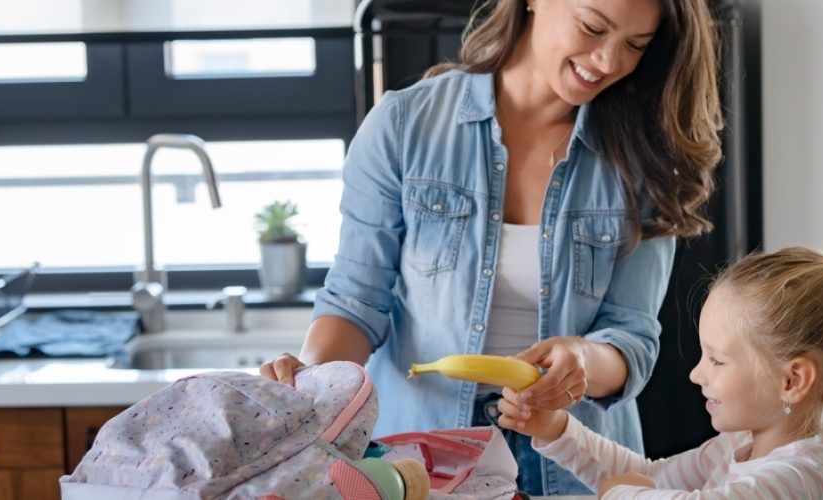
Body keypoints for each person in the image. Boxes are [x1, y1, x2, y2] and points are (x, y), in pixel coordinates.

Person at [260, 0, 722, 494]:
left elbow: (632, 337)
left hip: (577, 463)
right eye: (592, 27)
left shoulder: (643, 159)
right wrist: (310, 378)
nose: (608, 61)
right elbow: (356, 301)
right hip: (420, 461)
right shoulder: (404, 125)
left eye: (635, 45)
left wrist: (582, 362)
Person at [497, 245, 823, 498]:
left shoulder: (802, 476)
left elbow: (635, 487)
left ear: (791, 381)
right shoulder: (740, 445)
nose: (697, 374)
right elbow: (650, 477)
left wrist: (617, 493)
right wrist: (555, 429)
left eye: (716, 360)